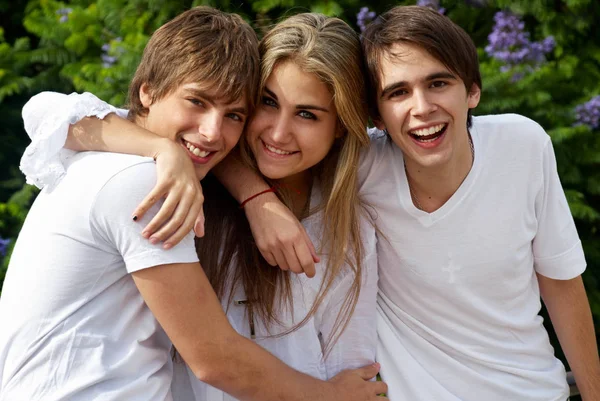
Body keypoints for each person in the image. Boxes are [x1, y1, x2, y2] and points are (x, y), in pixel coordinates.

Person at [206, 5, 600, 401]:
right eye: (398, 92)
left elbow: (562, 285)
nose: (421, 107)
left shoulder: (524, 146)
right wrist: (256, 198)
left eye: (438, 83)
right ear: (376, 116)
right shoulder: (358, 166)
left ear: (473, 90)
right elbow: (190, 135)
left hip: (533, 391)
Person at [0, 7, 386, 401]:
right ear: (147, 90)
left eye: (234, 114)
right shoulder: (144, 181)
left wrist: (254, 195)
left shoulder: (130, 160)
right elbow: (215, 359)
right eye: (197, 102)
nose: (212, 131)